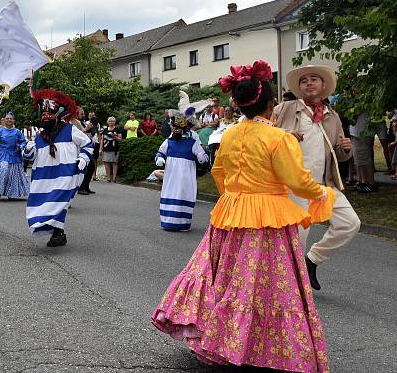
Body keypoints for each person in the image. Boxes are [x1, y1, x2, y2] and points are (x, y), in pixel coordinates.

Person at [151, 60, 334, 371]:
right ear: (271, 104)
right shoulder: (279, 138)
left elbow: (220, 173)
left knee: (227, 279)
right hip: (267, 217)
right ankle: (258, 347)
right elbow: (297, 180)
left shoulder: (231, 135)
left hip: (231, 214)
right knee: (265, 285)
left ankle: (224, 340)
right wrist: (322, 194)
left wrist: (236, 198)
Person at [275, 65, 359, 291]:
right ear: (299, 88)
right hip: (294, 185)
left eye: (314, 79)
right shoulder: (284, 109)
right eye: (304, 81)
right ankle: (290, 288)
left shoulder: (332, 116)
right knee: (297, 238)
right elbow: (262, 133)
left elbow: (339, 155)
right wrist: (284, 135)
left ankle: (311, 261)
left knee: (350, 223)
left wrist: (346, 149)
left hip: (323, 184)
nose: (309, 83)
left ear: (323, 86)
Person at [22, 88, 93, 247]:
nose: (45, 117)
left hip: (65, 174)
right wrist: (28, 148)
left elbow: (87, 144)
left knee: (59, 202)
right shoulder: (40, 136)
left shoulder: (69, 129)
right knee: (42, 206)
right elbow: (29, 157)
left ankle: (58, 233)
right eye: (43, 114)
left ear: (58, 115)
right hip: (43, 178)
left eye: (49, 114)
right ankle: (57, 232)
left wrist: (83, 158)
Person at [154, 113, 208, 231]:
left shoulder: (192, 143)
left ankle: (182, 223)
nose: (176, 130)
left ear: (185, 129)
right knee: (171, 193)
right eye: (174, 128)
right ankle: (168, 222)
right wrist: (160, 158)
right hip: (171, 175)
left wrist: (202, 157)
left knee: (184, 193)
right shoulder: (168, 141)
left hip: (186, 175)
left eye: (178, 128)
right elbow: (160, 152)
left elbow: (203, 157)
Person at [0, 111, 29, 199]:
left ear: (13, 120)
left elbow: (23, 141)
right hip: (3, 155)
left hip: (15, 156)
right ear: (4, 120)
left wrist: (21, 146)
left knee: (14, 175)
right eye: (7, 118)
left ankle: (12, 193)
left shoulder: (17, 132)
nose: (9, 120)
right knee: (3, 171)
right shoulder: (0, 131)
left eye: (11, 118)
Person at [349, 112, 377, 192]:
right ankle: (361, 181)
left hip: (361, 133)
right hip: (357, 133)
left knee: (364, 159)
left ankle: (369, 183)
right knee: (359, 159)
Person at [99, 116, 122, 182]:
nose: (111, 122)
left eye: (112, 121)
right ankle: (108, 178)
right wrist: (100, 149)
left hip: (115, 149)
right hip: (106, 149)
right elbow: (102, 140)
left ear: (114, 122)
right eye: (109, 121)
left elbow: (120, 139)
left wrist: (115, 137)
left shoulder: (117, 129)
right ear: (108, 122)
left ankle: (114, 178)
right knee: (106, 163)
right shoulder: (105, 130)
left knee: (114, 163)